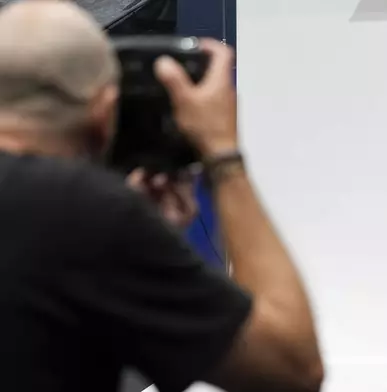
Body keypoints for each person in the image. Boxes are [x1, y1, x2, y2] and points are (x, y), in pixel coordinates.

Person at [0, 2, 323, 392]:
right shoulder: (89, 213)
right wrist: (223, 156)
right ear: (105, 113)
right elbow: (289, 367)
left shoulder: (92, 217)